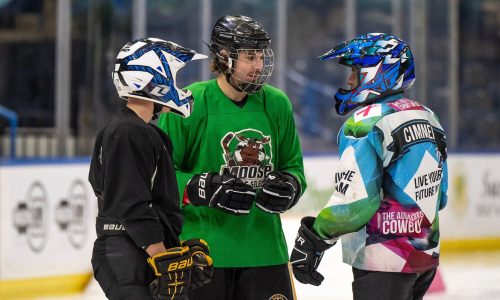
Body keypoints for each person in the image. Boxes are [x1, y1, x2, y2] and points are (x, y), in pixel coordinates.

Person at [157, 15, 307, 300]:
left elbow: (294, 168)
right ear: (224, 57)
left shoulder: (276, 103)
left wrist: (292, 185)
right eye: (250, 57)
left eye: (261, 56)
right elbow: (161, 177)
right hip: (203, 254)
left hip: (265, 251)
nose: (259, 66)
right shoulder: (189, 102)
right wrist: (198, 186)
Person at [290, 33, 448, 300]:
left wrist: (314, 236)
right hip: (424, 257)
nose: (350, 82)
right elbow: (440, 197)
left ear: (379, 74)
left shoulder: (365, 121)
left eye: (356, 72)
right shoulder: (428, 116)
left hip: (382, 260)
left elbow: (356, 204)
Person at [89, 37, 213, 300]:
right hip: (130, 251)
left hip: (134, 249)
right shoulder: (128, 132)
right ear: (152, 80)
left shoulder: (136, 131)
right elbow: (130, 202)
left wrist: (172, 245)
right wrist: (160, 254)